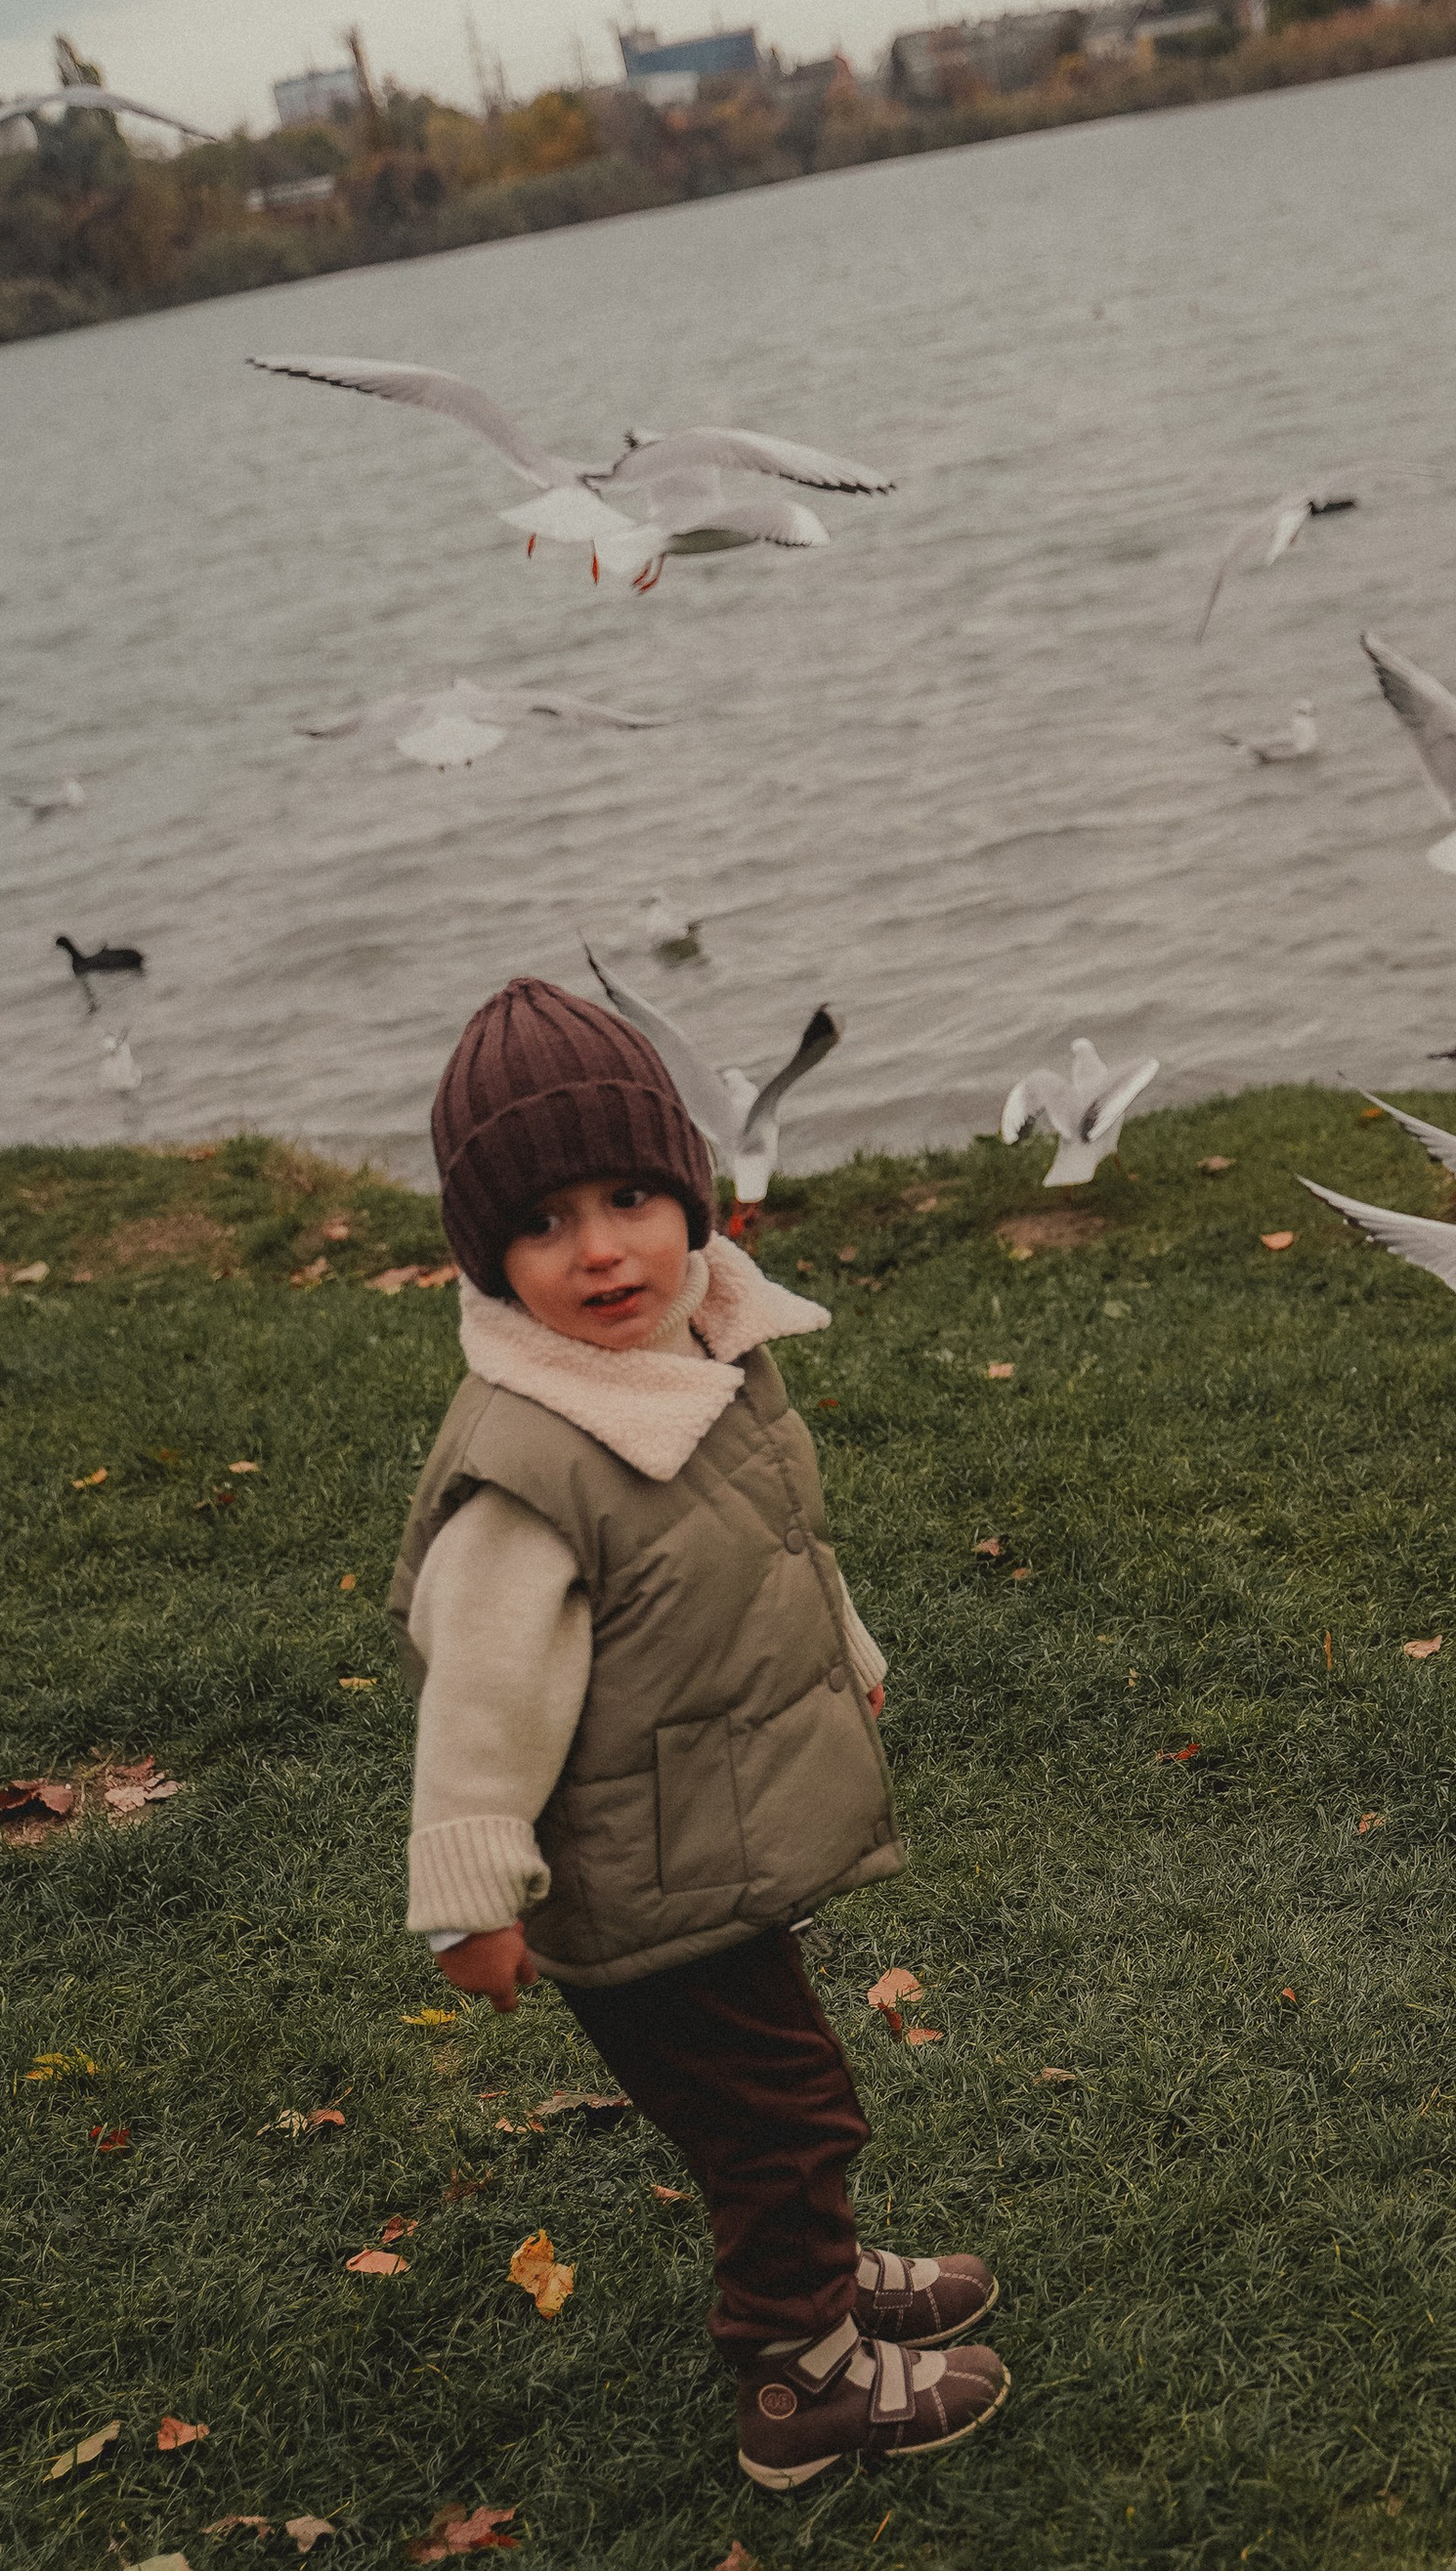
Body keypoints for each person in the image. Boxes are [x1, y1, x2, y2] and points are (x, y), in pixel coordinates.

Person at [388, 975, 1007, 2490]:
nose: (601, 1249)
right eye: (543, 1224)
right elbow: (478, 1705)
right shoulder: (531, 1470)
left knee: (778, 2090)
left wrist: (848, 1654)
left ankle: (824, 2277)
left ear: (692, 1194)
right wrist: (468, 1903)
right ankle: (803, 2382)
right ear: (487, 1257)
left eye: (630, 1198)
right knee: (780, 2118)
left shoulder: (693, 1352)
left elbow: (778, 1540)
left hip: (698, 1836)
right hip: (636, 1876)